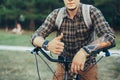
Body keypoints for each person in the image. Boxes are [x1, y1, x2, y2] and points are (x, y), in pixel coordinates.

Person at [31, 0, 115, 80]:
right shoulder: (56, 14)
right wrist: (47, 44)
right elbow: (35, 36)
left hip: (87, 63)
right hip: (64, 63)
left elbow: (109, 36)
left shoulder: (91, 11)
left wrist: (84, 51)